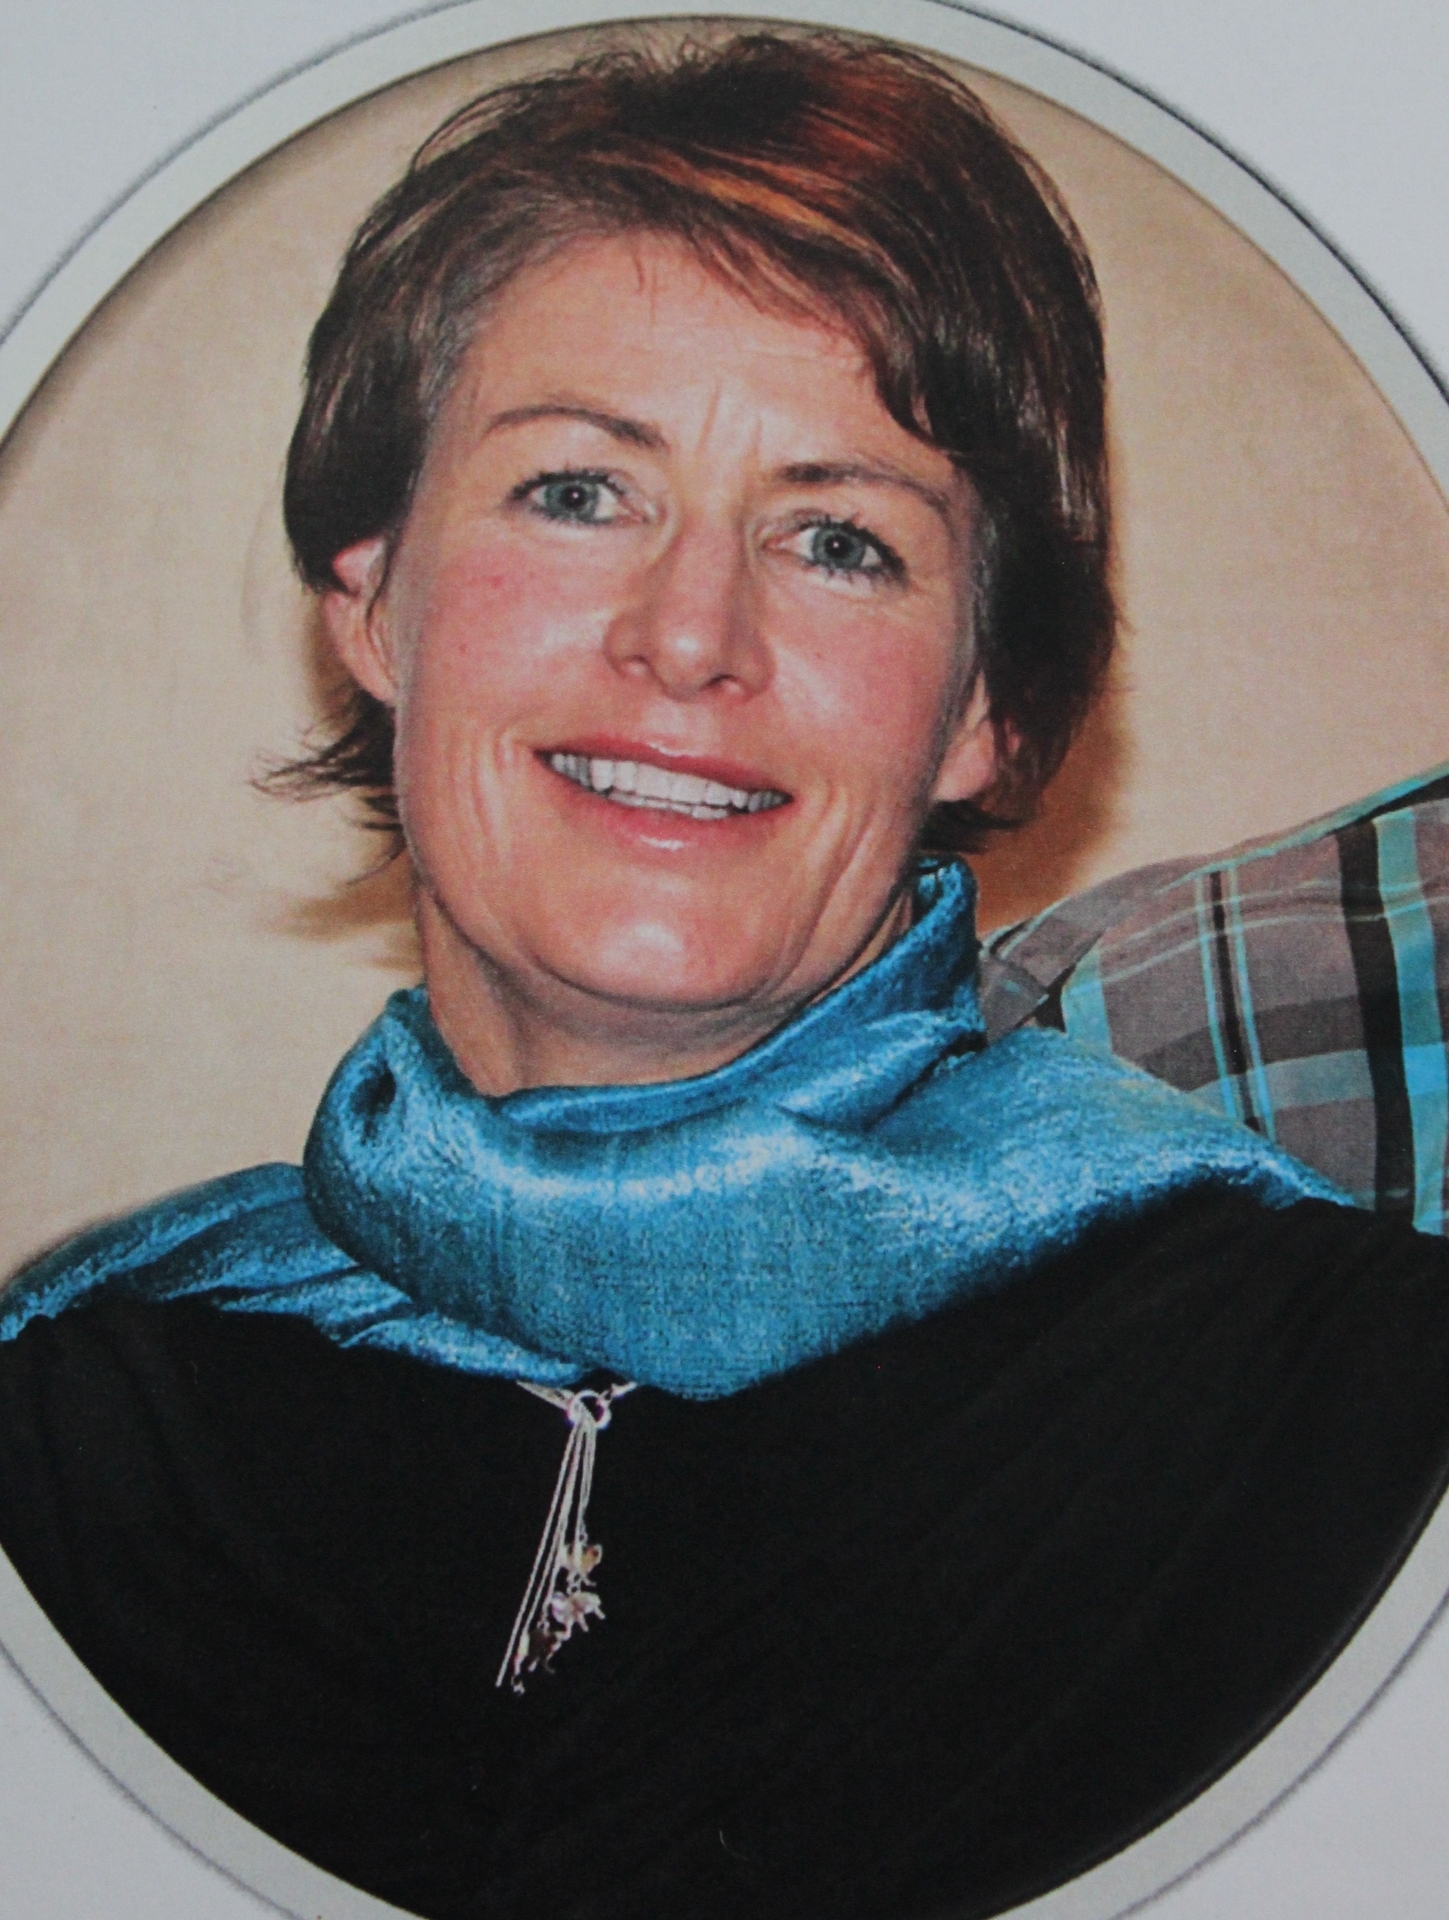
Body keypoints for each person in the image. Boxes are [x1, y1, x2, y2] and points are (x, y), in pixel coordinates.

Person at [3, 30, 1449, 1920]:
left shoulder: (1346, 1413)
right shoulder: (72, 1415)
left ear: (986, 709)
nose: (690, 635)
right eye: (576, 492)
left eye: (839, 540)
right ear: (372, 602)